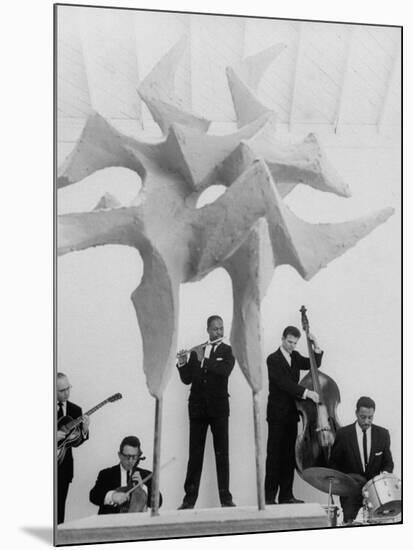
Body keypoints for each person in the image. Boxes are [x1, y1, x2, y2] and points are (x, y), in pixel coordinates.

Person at [176, 315, 236, 509]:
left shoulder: (228, 351)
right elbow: (187, 379)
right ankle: (188, 500)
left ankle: (226, 500)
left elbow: (224, 371)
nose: (219, 332)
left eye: (221, 328)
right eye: (215, 329)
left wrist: (204, 361)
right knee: (195, 455)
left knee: (222, 455)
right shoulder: (197, 351)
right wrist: (183, 362)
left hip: (219, 410)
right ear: (208, 330)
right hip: (197, 409)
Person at [265, 325, 323, 505]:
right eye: (289, 342)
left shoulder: (296, 357)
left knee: (289, 456)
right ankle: (269, 498)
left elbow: (314, 365)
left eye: (295, 343)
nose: (292, 346)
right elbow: (284, 384)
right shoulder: (272, 359)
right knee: (274, 456)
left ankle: (286, 496)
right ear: (282, 339)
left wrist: (316, 347)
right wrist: (307, 393)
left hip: (291, 415)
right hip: (276, 415)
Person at [329, 396, 394, 524]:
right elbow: (334, 464)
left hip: (375, 493)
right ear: (356, 413)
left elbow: (388, 463)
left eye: (370, 417)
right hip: (350, 493)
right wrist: (342, 481)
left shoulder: (383, 434)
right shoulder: (343, 434)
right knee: (350, 525)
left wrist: (384, 477)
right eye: (363, 417)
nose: (367, 421)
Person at [89, 435, 161, 514]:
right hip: (110, 522)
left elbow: (158, 502)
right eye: (127, 456)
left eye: (134, 457)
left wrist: (143, 488)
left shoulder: (146, 475)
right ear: (119, 455)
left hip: (135, 523)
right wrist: (113, 496)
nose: (130, 461)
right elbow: (93, 496)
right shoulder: (106, 474)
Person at [57, 372, 89, 524]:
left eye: (68, 388)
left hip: (64, 468)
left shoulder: (76, 410)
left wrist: (85, 430)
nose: (67, 393)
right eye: (62, 390)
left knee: (59, 510)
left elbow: (76, 442)